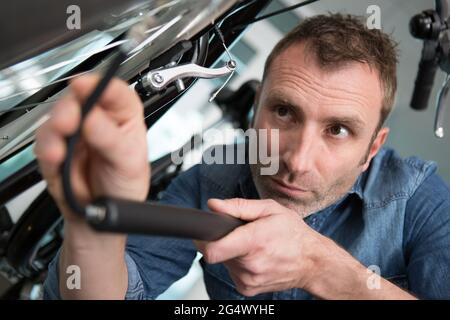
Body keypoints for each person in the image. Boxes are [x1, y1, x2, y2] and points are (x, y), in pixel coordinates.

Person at [35, 13, 450, 300]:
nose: (297, 161)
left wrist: (317, 266)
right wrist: (92, 217)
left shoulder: (419, 201)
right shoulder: (212, 181)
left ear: (372, 148)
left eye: (337, 130)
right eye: (284, 112)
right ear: (255, 111)